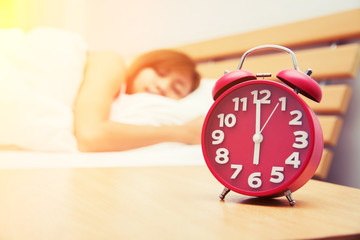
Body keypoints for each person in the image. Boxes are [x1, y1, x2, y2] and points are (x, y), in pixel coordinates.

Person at [74, 49, 204, 152]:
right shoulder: (111, 62)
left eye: (176, 89)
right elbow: (91, 136)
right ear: (143, 65)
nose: (163, 86)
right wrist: (187, 133)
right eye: (160, 72)